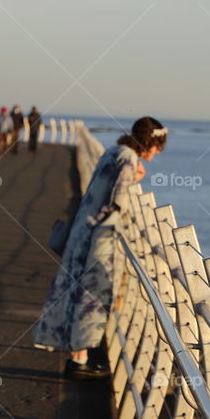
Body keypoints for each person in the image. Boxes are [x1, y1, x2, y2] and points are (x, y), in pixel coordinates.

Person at [34, 117, 167, 379]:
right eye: (159, 146)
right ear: (150, 142)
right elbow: (116, 202)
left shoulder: (114, 151)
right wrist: (134, 181)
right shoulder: (128, 160)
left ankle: (77, 357)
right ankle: (80, 362)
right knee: (92, 295)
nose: (159, 152)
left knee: (74, 291)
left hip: (81, 229)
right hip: (97, 238)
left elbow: (102, 189)